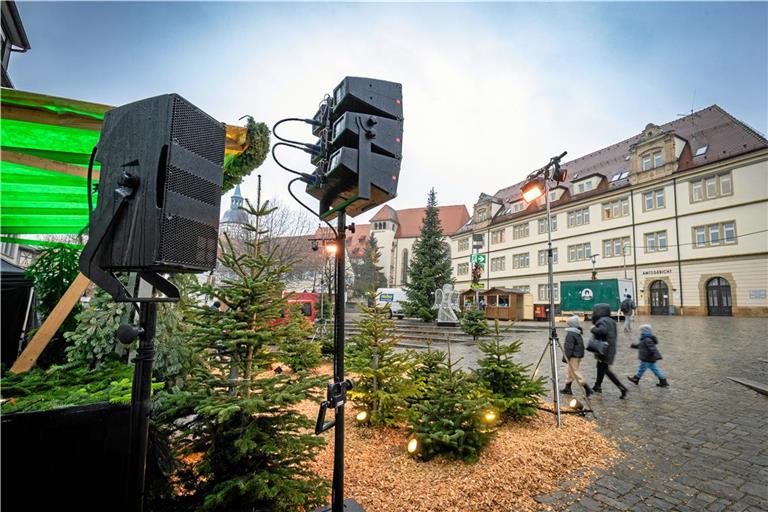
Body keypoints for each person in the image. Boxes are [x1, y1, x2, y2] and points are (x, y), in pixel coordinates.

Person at [590, 303, 628, 399]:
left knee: (605, 369)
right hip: (609, 348)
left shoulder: (602, 320)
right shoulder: (610, 320)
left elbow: (602, 331)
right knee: (600, 366)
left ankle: (621, 387)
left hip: (604, 349)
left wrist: (593, 329)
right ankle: (597, 386)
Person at [560, 315, 593, 396]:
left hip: (573, 356)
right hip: (577, 355)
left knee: (574, 371)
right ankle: (567, 388)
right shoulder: (577, 332)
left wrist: (566, 357)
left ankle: (586, 387)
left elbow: (568, 347)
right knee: (569, 371)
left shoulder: (570, 334)